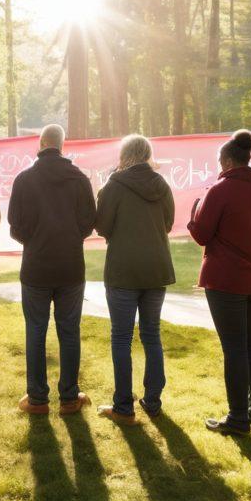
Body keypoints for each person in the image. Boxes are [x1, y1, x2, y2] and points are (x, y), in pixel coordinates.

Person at [188, 130, 251, 437]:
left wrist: (194, 212)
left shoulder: (220, 190)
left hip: (227, 279)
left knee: (235, 349)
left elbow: (201, 234)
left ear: (228, 161)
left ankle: (237, 418)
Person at [8, 124, 96, 415]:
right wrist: (69, 237)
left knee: (35, 330)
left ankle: (37, 399)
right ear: (61, 145)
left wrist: (33, 240)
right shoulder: (79, 179)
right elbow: (88, 223)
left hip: (36, 265)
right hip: (71, 265)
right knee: (69, 331)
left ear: (42, 143)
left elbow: (15, 225)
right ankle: (69, 397)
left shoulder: (24, 179)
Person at [94, 134, 175, 425]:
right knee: (152, 335)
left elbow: (101, 226)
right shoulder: (161, 184)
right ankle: (153, 401)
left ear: (124, 155)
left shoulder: (113, 186)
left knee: (121, 338)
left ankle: (123, 407)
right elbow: (167, 223)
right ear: (148, 154)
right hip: (156, 269)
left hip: (123, 270)